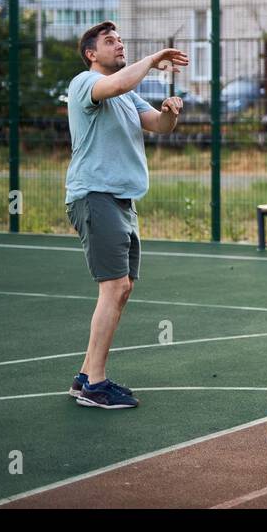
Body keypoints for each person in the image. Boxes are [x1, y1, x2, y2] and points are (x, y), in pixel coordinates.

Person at [64, 21, 188, 410]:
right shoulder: (85, 83)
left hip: (122, 201)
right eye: (110, 41)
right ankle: (95, 384)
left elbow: (157, 125)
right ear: (91, 54)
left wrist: (170, 112)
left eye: (120, 40)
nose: (119, 45)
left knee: (123, 288)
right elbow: (116, 85)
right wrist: (151, 60)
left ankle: (86, 376)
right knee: (113, 288)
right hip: (95, 195)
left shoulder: (126, 97)